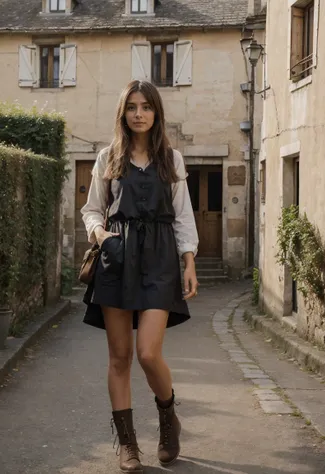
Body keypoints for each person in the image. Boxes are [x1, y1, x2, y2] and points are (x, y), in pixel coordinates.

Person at [81, 80, 199, 473]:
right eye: (131, 107)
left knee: (149, 353)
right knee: (120, 356)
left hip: (161, 258)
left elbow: (182, 215)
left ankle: (168, 418)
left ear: (156, 112)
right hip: (117, 257)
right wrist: (100, 234)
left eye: (146, 106)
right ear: (123, 113)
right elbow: (92, 210)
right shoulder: (107, 158)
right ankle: (128, 445)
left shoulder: (172, 160)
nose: (138, 113)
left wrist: (189, 261)